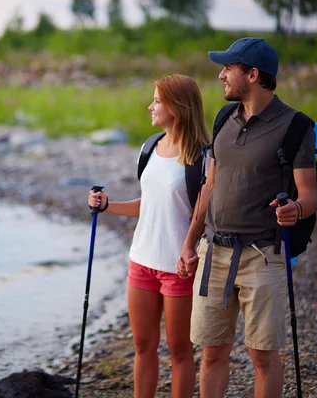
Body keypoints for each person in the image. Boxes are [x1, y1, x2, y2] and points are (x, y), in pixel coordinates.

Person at [177, 38, 317, 397]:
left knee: (262, 355)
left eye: (229, 68)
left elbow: (310, 195)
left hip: (263, 255)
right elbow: (209, 185)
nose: (222, 75)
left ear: (253, 75)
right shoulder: (225, 117)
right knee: (212, 350)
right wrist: (190, 242)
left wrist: (295, 210)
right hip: (215, 252)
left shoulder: (295, 126)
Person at [89, 74, 209, 398]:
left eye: (157, 100)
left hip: (178, 268)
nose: (150, 106)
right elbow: (148, 204)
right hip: (141, 261)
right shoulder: (149, 147)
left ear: (177, 107)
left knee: (180, 351)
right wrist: (108, 206)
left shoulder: (202, 157)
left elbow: (201, 213)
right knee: (143, 347)